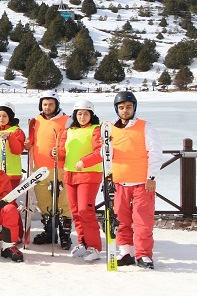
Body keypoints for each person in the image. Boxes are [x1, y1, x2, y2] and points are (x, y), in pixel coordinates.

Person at [109, 92, 163, 269]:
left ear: (134, 108)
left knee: (142, 221)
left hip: (142, 183)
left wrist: (152, 177)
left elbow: (154, 153)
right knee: (121, 220)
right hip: (119, 182)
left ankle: (144, 254)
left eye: (128, 107)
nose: (125, 111)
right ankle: (126, 252)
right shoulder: (111, 129)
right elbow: (107, 155)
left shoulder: (145, 127)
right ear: (117, 109)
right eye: (121, 108)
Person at [27, 90, 73, 250]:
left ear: (56, 105)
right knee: (44, 203)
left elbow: (72, 143)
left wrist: (61, 152)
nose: (47, 107)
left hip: (59, 167)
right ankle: (49, 232)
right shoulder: (37, 120)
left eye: (50, 104)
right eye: (44, 104)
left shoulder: (67, 120)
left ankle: (65, 235)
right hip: (39, 168)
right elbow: (34, 140)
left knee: (62, 202)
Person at [58, 100, 103, 262]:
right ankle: (83, 242)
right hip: (70, 175)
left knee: (85, 211)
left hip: (89, 175)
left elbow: (101, 151)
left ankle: (94, 247)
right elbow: (63, 151)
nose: (82, 116)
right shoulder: (69, 130)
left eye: (86, 113)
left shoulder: (95, 130)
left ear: (91, 115)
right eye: (79, 113)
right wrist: (55, 153)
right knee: (76, 212)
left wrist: (85, 161)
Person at [0, 102, 26, 241]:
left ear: (10, 116)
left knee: (10, 204)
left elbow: (17, 150)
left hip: (11, 173)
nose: (1, 118)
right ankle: (6, 229)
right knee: (1, 204)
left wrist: (10, 137)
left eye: (4, 116)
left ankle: (18, 233)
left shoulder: (16, 131)